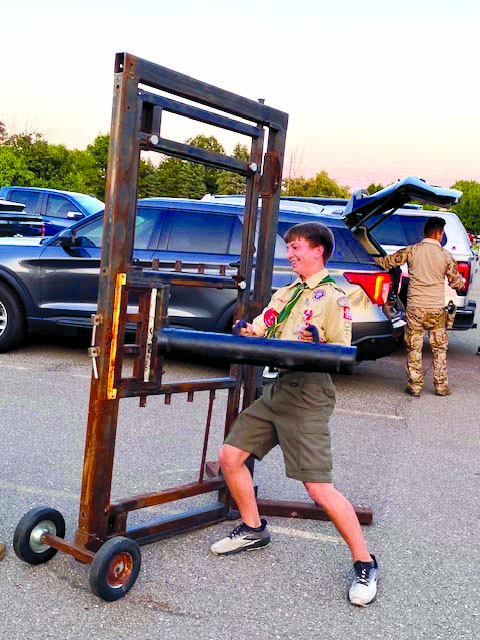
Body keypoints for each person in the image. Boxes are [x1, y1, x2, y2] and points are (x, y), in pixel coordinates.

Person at [210, 222, 378, 607]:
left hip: (309, 393)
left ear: (318, 251)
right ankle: (253, 529)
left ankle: (365, 563)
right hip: (279, 388)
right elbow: (262, 330)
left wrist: (319, 344)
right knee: (230, 457)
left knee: (318, 489)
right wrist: (247, 332)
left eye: (297, 247)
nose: (291, 253)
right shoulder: (286, 292)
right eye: (289, 247)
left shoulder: (335, 297)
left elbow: (341, 350)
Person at [375, 216, 464, 397]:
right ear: (438, 233)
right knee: (439, 348)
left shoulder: (412, 251)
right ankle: (441, 385)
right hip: (436, 310)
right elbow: (456, 283)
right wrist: (460, 283)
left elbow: (386, 263)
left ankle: (415, 386)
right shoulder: (446, 256)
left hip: (415, 309)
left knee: (414, 347)